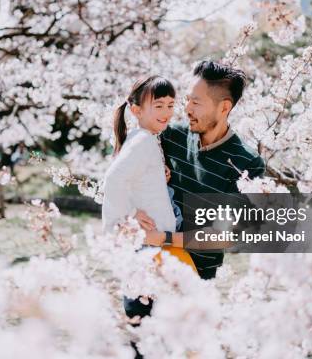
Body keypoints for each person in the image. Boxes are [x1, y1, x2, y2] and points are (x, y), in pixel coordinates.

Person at [135, 60, 266, 280]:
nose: (186, 109)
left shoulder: (247, 163)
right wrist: (134, 209)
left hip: (193, 285)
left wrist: (163, 238)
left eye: (195, 102)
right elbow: (127, 173)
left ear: (224, 107)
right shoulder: (169, 137)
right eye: (187, 100)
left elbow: (224, 235)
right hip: (144, 269)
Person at [102, 76, 196, 359]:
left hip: (153, 248)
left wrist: (159, 177)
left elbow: (132, 181)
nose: (166, 112)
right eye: (158, 105)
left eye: (170, 105)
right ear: (136, 110)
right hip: (146, 250)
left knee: (149, 326)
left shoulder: (143, 139)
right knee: (146, 325)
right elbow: (113, 180)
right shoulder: (143, 140)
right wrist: (128, 215)